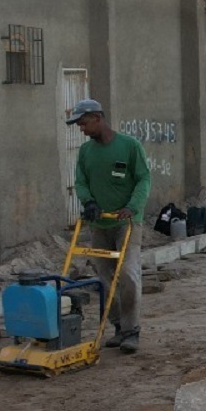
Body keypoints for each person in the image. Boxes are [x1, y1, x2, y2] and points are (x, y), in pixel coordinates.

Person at [66, 99, 147, 354]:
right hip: (99, 222)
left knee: (128, 274)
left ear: (98, 118)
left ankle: (132, 330)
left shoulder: (129, 146)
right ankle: (117, 327)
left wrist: (132, 206)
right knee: (104, 277)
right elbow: (80, 181)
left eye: (83, 123)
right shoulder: (86, 152)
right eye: (78, 125)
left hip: (126, 221)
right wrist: (88, 201)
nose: (81, 128)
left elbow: (144, 179)